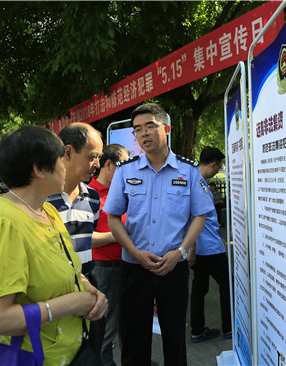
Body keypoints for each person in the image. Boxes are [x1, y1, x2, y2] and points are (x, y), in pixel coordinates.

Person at [0, 125, 107, 365]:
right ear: (39, 169)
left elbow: (67, 267)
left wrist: (88, 288)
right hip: (36, 358)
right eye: (60, 158)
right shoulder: (3, 224)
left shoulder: (48, 210)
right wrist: (71, 303)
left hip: (73, 351)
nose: (65, 164)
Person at [104, 103, 214, 366]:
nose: (144, 134)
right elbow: (112, 217)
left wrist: (181, 251)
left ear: (166, 128)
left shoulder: (188, 171)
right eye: (138, 130)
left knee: (175, 337)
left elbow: (200, 215)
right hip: (135, 267)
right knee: (134, 338)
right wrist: (134, 252)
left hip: (172, 267)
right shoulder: (125, 171)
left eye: (150, 126)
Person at [47, 122, 106, 358]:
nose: (98, 164)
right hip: (55, 289)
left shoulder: (92, 198)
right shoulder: (41, 198)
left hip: (90, 281)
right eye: (93, 157)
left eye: (100, 157)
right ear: (68, 152)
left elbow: (87, 238)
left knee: (93, 350)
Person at [88, 143, 129, 366]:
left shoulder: (122, 191)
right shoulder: (90, 195)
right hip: (105, 269)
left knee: (126, 324)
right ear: (108, 164)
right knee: (107, 326)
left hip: (127, 265)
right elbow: (86, 238)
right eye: (122, 166)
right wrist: (119, 235)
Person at [189, 147, 232, 343]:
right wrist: (192, 249)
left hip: (200, 248)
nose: (219, 170)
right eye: (219, 166)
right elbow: (196, 218)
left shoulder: (192, 180)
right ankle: (229, 328)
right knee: (226, 284)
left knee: (199, 288)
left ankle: (197, 330)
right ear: (213, 164)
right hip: (208, 249)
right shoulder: (199, 184)